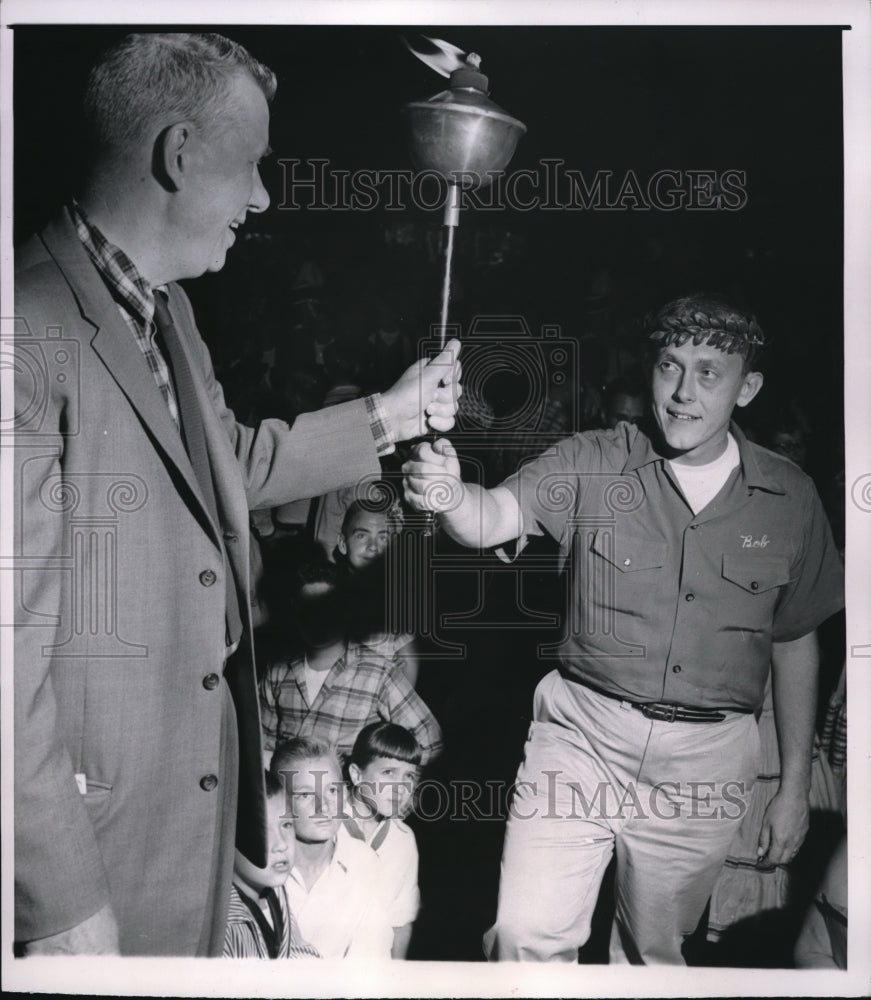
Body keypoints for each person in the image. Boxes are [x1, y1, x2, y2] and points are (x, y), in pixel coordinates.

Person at [13, 31, 460, 956]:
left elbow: (231, 465)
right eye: (252, 165)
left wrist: (391, 414)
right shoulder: (25, 331)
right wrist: (52, 901)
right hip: (89, 851)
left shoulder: (166, 308)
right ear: (179, 154)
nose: (261, 197)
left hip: (191, 827)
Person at [403, 292, 844, 964]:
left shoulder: (790, 497)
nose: (681, 393)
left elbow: (793, 640)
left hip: (706, 763)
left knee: (652, 953)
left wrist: (789, 788)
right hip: (581, 736)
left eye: (707, 373)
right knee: (524, 932)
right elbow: (489, 517)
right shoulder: (593, 459)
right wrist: (448, 492)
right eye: (669, 367)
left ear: (745, 388)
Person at [259, 559, 441, 764]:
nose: (317, 619)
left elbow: (431, 744)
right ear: (294, 609)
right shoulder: (276, 670)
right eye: (307, 609)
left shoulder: (378, 672)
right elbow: (263, 747)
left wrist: (389, 787)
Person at [272, 737, 393, 959]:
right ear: (278, 801)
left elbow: (372, 963)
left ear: (345, 794)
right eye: (305, 795)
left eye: (332, 791)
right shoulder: (260, 869)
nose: (323, 806)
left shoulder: (364, 862)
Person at [223, 770, 320, 958]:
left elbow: (297, 952)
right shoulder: (224, 928)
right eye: (262, 832)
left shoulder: (275, 893)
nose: (282, 844)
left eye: (286, 824)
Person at [346, 722, 423, 959]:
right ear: (357, 775)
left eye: (409, 776)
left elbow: (401, 922)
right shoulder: (327, 825)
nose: (400, 787)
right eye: (388, 772)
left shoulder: (404, 840)